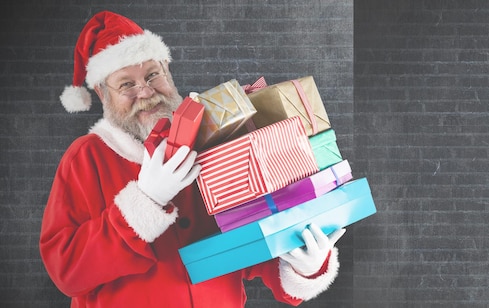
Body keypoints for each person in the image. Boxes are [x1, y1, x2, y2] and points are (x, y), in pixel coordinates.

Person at [39, 11, 345, 307]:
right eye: (126, 84)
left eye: (152, 74)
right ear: (103, 94)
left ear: (168, 73)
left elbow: (252, 247)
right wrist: (144, 202)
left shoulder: (213, 143)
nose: (145, 92)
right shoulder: (86, 157)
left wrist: (306, 264)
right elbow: (67, 270)